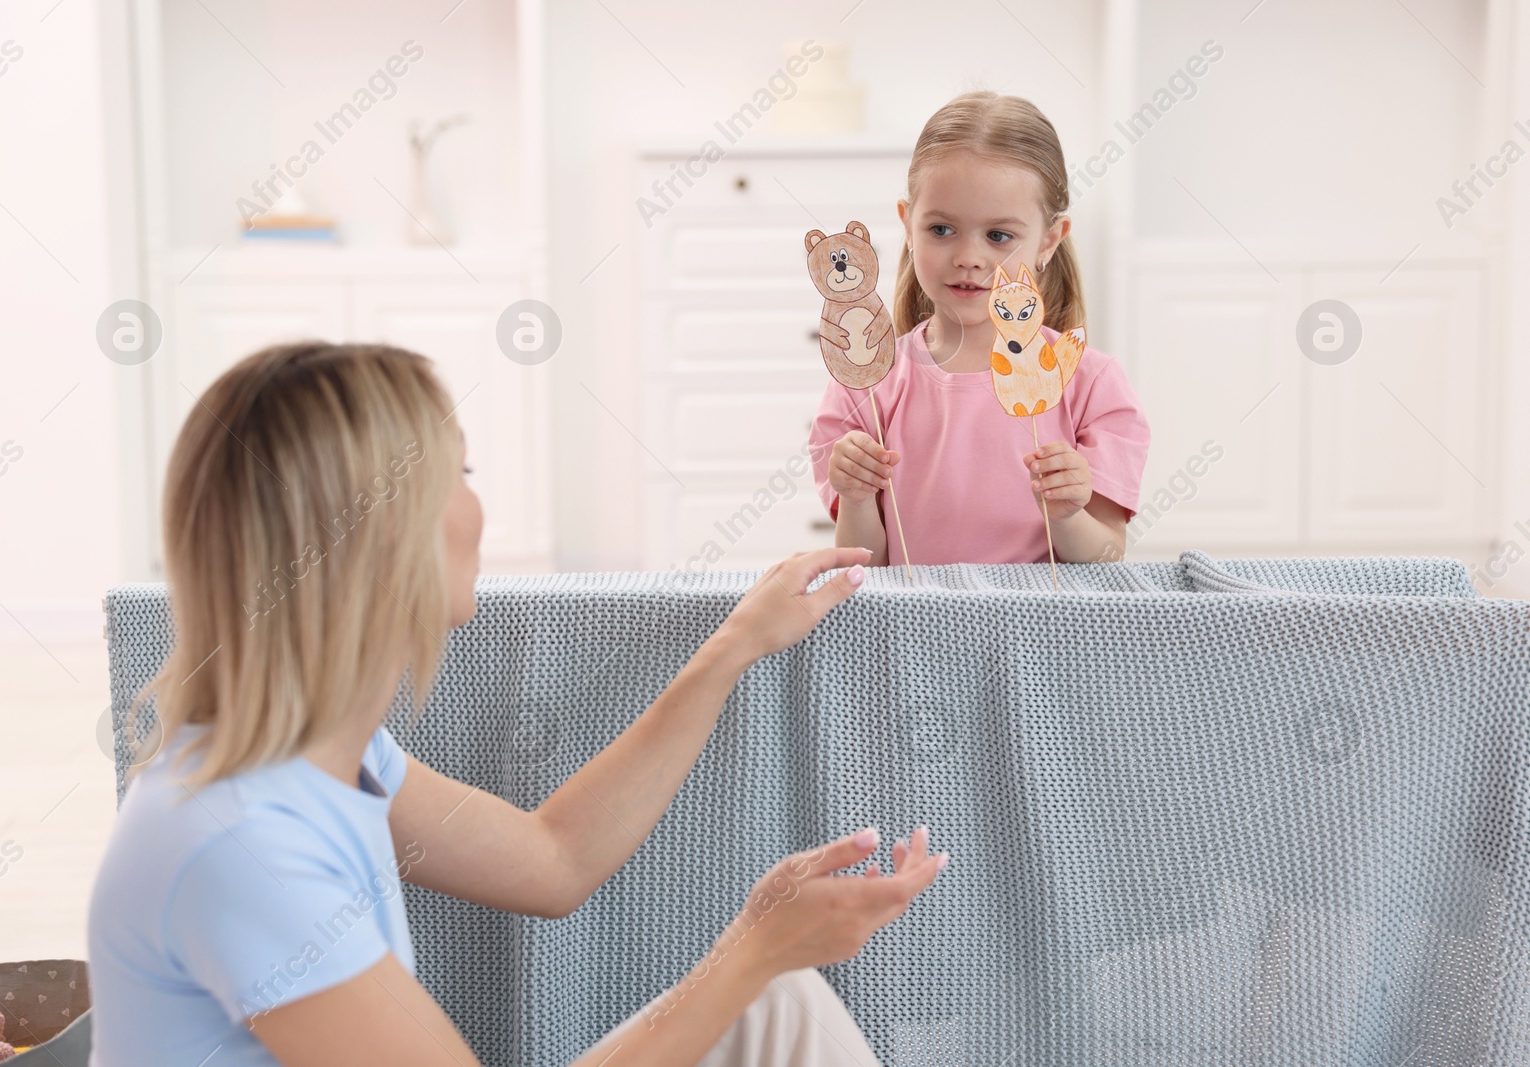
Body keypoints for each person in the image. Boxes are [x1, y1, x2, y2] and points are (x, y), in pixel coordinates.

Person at [87, 342, 947, 1067]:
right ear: (383, 536)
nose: (476, 507)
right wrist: (754, 946)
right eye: (459, 474)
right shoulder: (240, 843)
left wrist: (734, 647)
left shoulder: (322, 756)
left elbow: (553, 859)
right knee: (768, 990)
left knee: (780, 1006)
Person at [810, 91, 1151, 566]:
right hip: (915, 631)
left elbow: (1108, 555)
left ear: (1048, 242)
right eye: (942, 229)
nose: (969, 257)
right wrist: (856, 495)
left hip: (1042, 632)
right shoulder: (867, 382)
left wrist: (1069, 517)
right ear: (908, 225)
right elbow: (862, 564)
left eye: (998, 236)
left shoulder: (1091, 384)